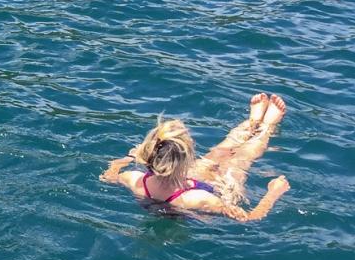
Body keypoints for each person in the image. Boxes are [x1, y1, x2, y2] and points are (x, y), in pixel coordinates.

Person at [99, 93, 291, 221]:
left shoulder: (134, 179)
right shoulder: (199, 200)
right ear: (186, 159)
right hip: (217, 189)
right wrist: (274, 192)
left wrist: (125, 159)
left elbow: (108, 176)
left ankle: (252, 122)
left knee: (218, 153)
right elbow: (249, 218)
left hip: (185, 181)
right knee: (241, 158)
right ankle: (266, 127)